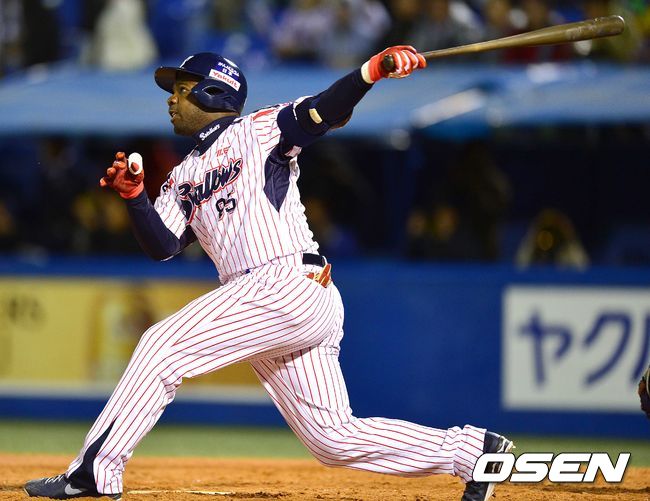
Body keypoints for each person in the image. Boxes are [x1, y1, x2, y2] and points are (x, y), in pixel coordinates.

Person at [24, 48, 512, 501]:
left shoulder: (260, 130)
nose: (171, 100)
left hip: (284, 282)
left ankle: (95, 473)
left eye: (181, 89)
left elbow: (323, 111)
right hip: (275, 297)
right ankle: (474, 452)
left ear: (212, 92)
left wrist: (371, 72)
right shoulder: (181, 175)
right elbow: (163, 246)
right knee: (333, 439)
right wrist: (135, 199)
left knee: (161, 346)